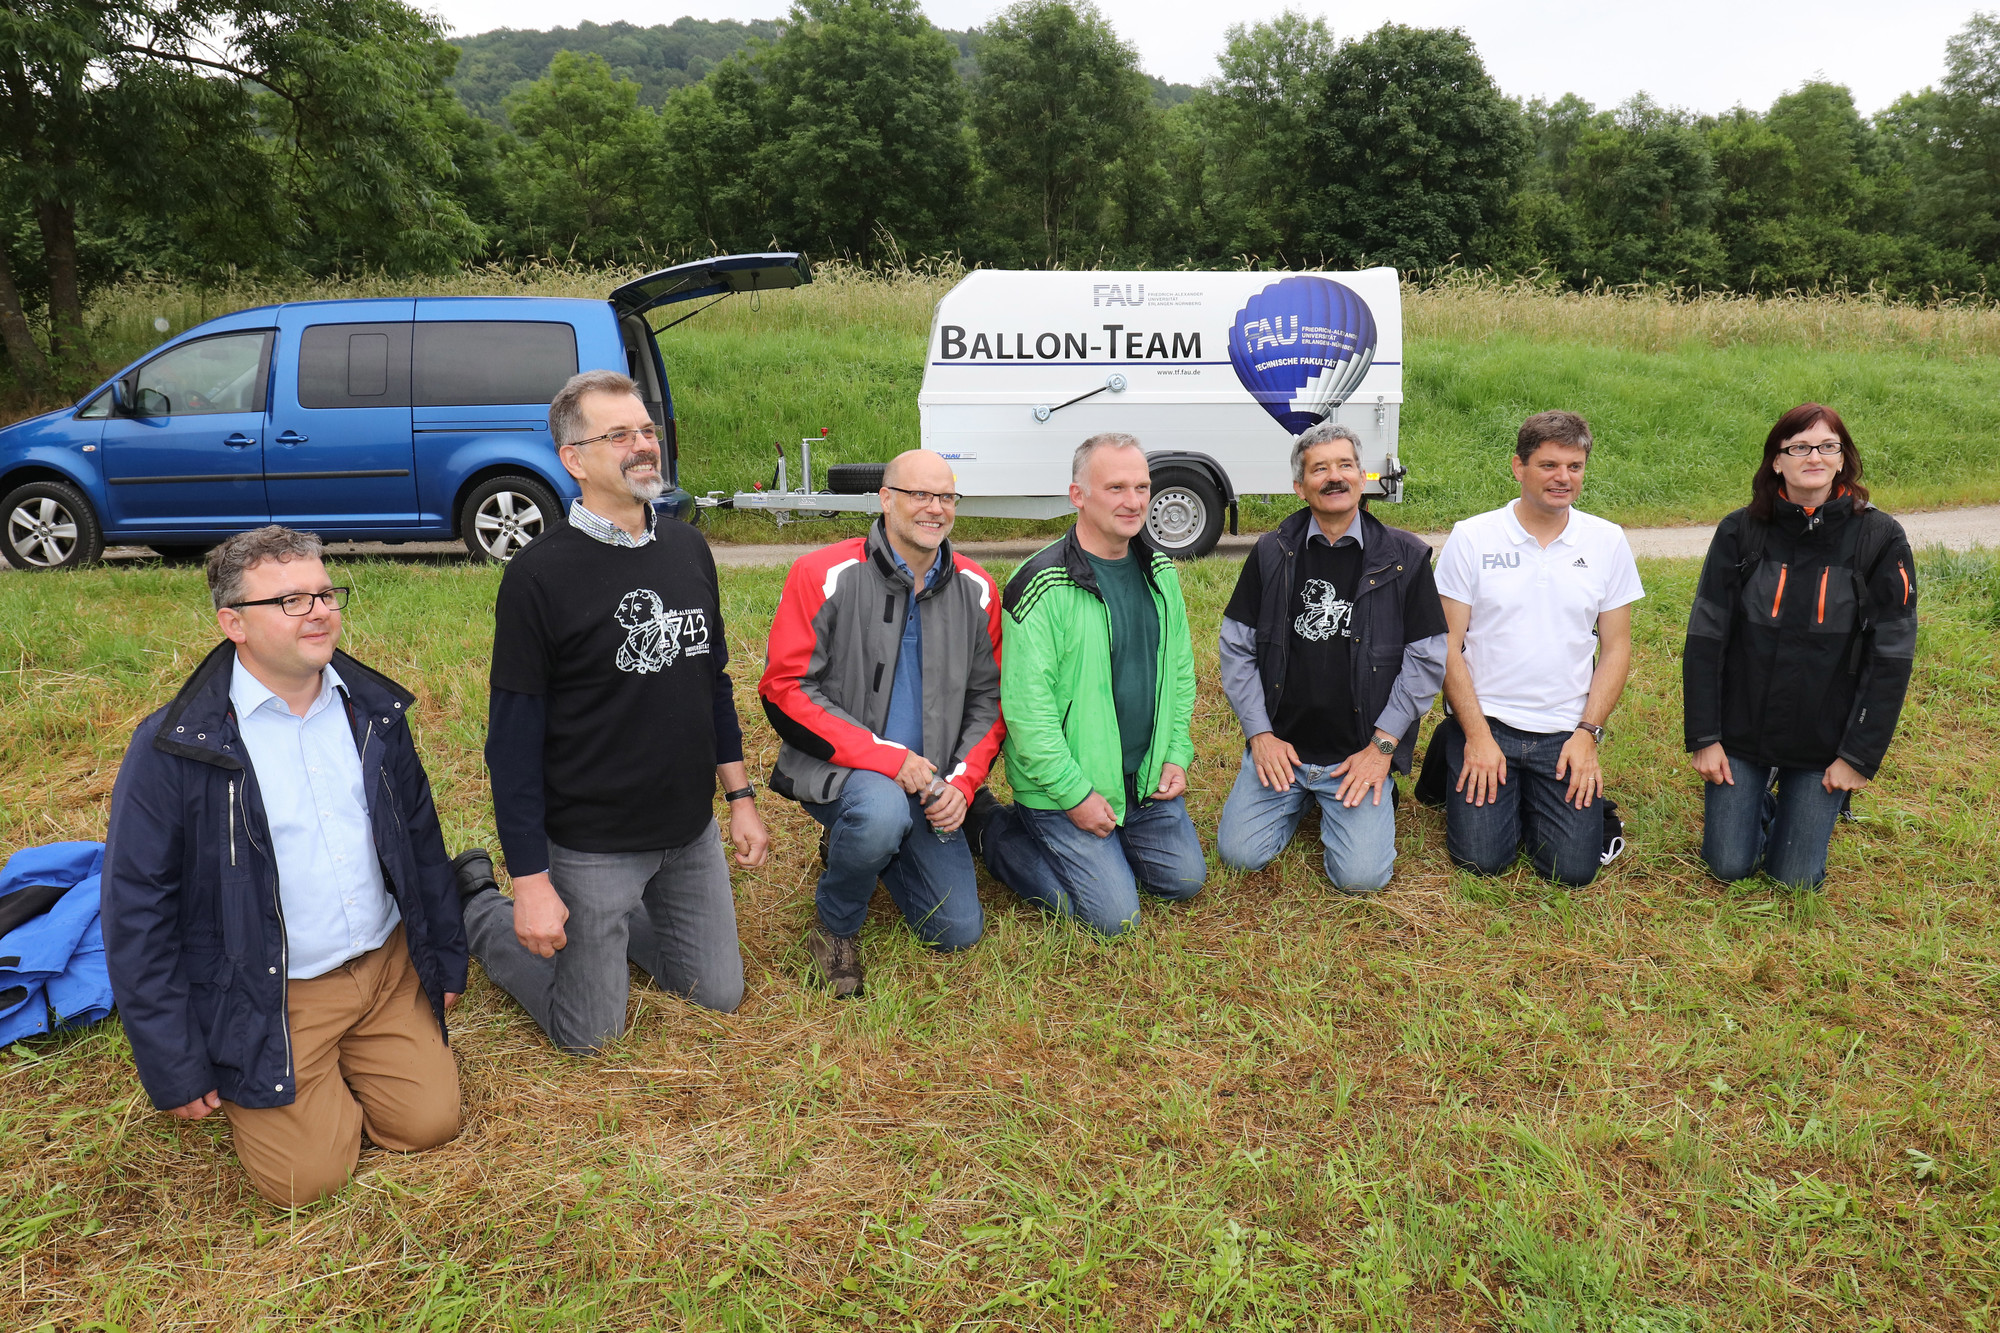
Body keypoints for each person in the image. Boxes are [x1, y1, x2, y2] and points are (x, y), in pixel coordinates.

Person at [103, 527, 466, 1206]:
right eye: (292, 600)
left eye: (326, 592)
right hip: (271, 988)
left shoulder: (373, 711)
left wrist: (441, 956)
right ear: (233, 622)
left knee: (432, 1122)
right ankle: (304, 1079)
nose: (321, 610)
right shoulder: (173, 747)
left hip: (384, 969)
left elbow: (419, 838)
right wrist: (175, 1061)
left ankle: (351, 1067)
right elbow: (136, 910)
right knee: (305, 1181)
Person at [463, 370, 770, 1054]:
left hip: (687, 832)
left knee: (716, 993)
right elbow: (510, 745)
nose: (643, 446)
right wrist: (533, 881)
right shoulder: (538, 577)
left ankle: (615, 920)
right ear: (574, 459)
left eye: (646, 431)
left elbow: (710, 680)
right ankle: (480, 907)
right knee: (591, 1036)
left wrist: (739, 797)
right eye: (620, 434)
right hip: (591, 841)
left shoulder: (688, 547)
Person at [758, 450, 1005, 996]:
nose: (934, 509)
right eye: (920, 494)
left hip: (932, 782)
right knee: (880, 810)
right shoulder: (822, 573)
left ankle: (866, 848)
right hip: (846, 770)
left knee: (956, 930)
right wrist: (889, 760)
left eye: (945, 497)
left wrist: (961, 784)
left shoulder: (978, 587)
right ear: (886, 499)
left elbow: (989, 702)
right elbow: (784, 689)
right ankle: (836, 924)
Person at [971, 433, 1206, 934]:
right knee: (1113, 917)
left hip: (1142, 783)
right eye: (1116, 487)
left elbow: (1180, 673)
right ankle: (993, 826)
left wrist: (1176, 754)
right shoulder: (1040, 585)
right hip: (1062, 790)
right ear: (1078, 495)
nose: (1135, 501)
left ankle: (1111, 844)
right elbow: (1026, 713)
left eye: (1142, 486)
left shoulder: (1160, 572)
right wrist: (1075, 795)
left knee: (1183, 881)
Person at [1683, 403, 1916, 890]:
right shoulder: (1739, 530)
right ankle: (1761, 793)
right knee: (1728, 865)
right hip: (1742, 729)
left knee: (1795, 880)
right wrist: (1705, 738)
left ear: (1842, 459)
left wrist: (1857, 756)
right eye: (1800, 447)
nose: (1815, 456)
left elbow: (1891, 656)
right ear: (1776, 460)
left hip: (1823, 738)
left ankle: (1803, 798)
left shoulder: (1879, 537)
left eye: (1828, 446)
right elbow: (1706, 637)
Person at [1216, 423, 1446, 892]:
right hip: (1284, 749)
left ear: (1363, 477)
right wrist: (1260, 735)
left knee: (1361, 879)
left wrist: (1382, 749)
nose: (1334, 477)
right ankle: (1300, 794)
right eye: (1319, 469)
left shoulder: (1406, 557)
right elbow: (1236, 646)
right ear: (1300, 487)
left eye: (1345, 465)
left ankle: (1366, 795)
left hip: (1357, 753)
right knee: (1240, 855)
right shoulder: (1270, 551)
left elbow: (1426, 660)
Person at [1434, 410, 1644, 887]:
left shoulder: (1607, 540)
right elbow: (1447, 644)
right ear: (1518, 467)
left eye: (1575, 466)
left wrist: (1587, 734)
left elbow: (1616, 648)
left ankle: (1564, 801)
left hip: (1564, 733)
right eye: (1549, 465)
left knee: (1571, 871)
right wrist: (1476, 735)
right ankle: (1455, 753)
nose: (1563, 478)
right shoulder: (1473, 536)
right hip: (1489, 724)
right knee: (1482, 861)